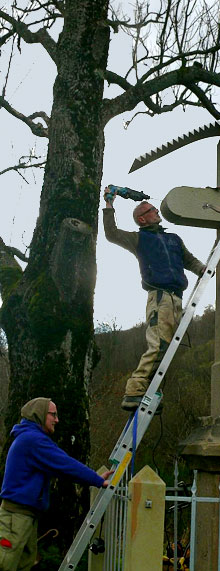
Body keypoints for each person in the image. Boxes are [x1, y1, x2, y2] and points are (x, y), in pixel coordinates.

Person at [103, 189, 205, 412]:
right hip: (160, 297)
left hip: (177, 298)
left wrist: (203, 270)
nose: (157, 211)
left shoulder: (173, 239)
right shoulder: (139, 238)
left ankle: (149, 393)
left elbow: (189, 260)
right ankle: (135, 390)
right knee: (158, 344)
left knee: (167, 349)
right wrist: (110, 205)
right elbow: (111, 234)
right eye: (152, 210)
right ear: (142, 218)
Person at [0, 397, 112, 571]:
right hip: (16, 518)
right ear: (40, 414)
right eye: (53, 414)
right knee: (5, 564)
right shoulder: (33, 440)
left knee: (23, 565)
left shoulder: (31, 439)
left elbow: (61, 467)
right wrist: (97, 480)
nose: (57, 420)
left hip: (25, 516)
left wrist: (94, 478)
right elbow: (65, 464)